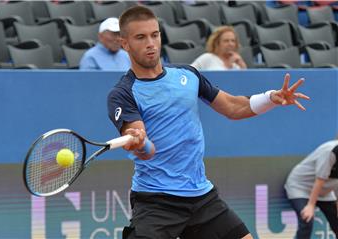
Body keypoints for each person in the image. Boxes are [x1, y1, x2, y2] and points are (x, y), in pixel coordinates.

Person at [107, 6, 309, 239]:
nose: (150, 43)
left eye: (155, 34)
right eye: (140, 37)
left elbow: (233, 107)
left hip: (201, 196)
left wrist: (271, 98)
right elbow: (146, 150)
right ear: (125, 43)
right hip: (156, 201)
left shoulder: (188, 75)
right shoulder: (122, 93)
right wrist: (140, 143)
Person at [284, 138, 338, 239]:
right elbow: (319, 180)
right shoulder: (330, 151)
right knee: (307, 218)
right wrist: (310, 205)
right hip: (300, 187)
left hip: (325, 192)